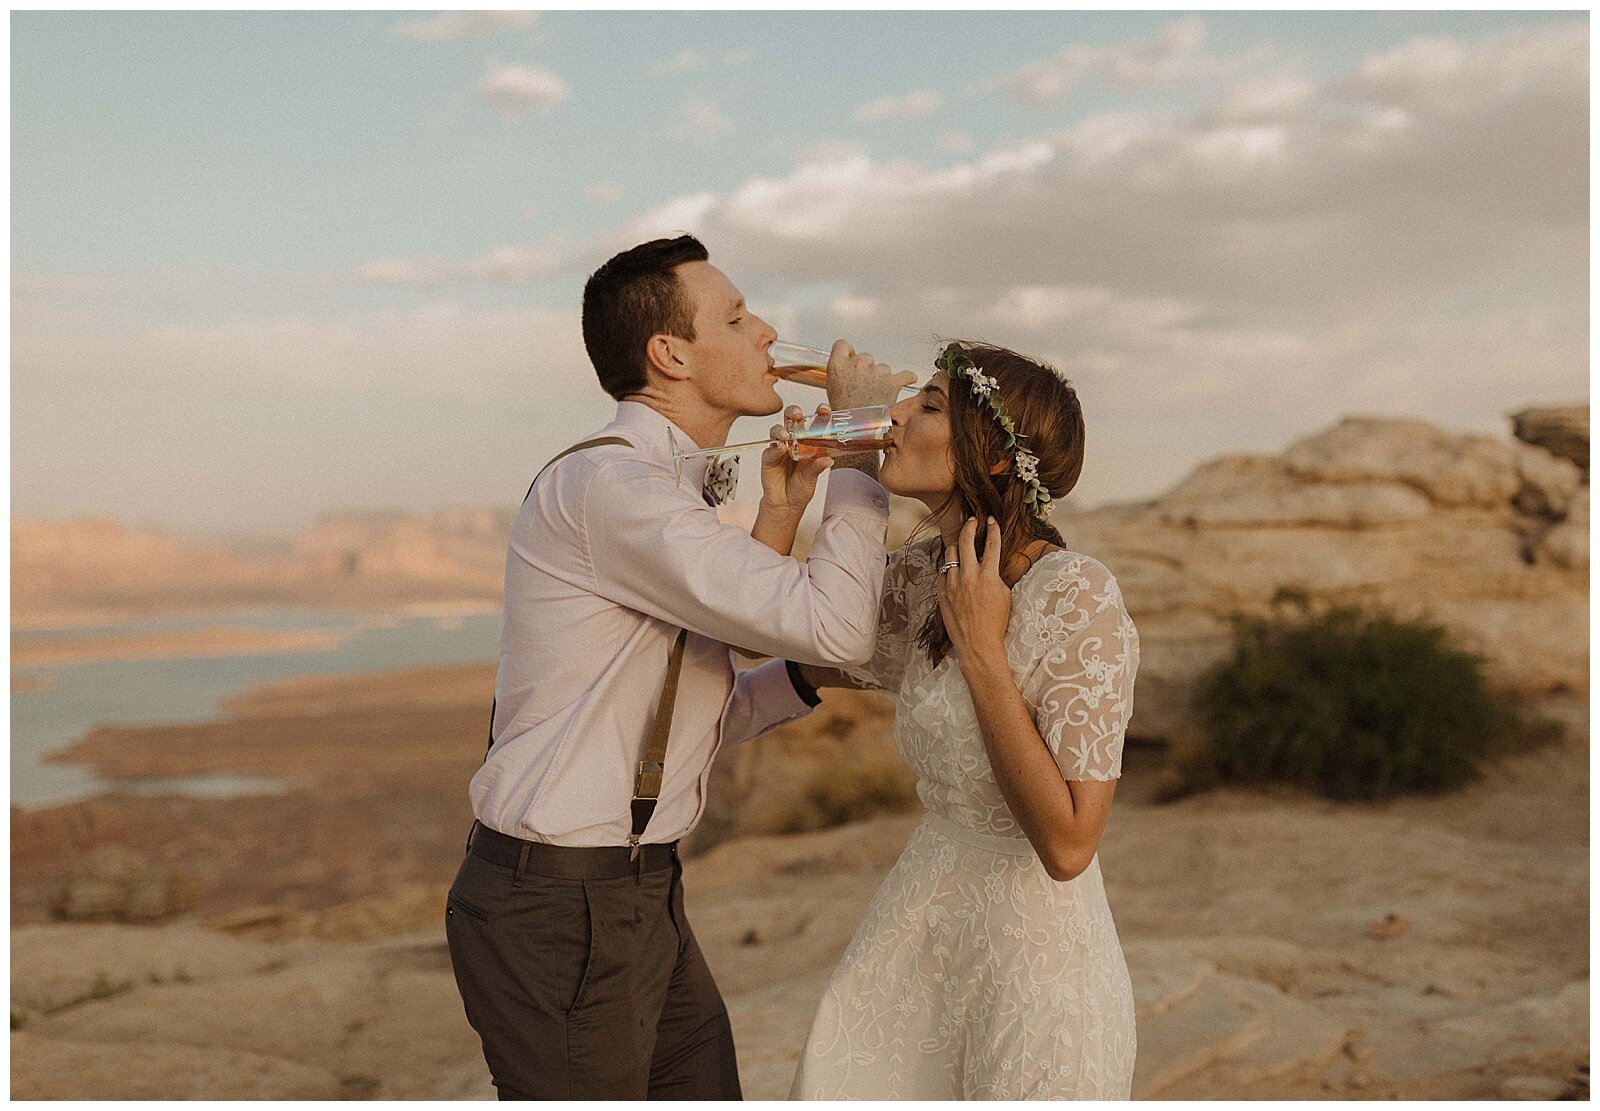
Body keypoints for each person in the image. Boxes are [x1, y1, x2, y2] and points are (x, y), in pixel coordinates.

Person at [444, 234, 914, 1100]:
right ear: (670, 355)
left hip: (636, 893)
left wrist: (797, 650)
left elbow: (694, 700)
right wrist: (857, 443)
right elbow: (838, 626)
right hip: (560, 910)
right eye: (736, 317)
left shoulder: (656, 488)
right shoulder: (616, 490)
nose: (769, 331)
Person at [785, 341, 1140, 1100]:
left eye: (932, 405)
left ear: (1001, 460)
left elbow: (1071, 842)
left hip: (1033, 968)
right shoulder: (921, 577)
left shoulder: (1077, 594)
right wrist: (790, 497)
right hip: (923, 929)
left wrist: (984, 652)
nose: (900, 413)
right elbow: (767, 635)